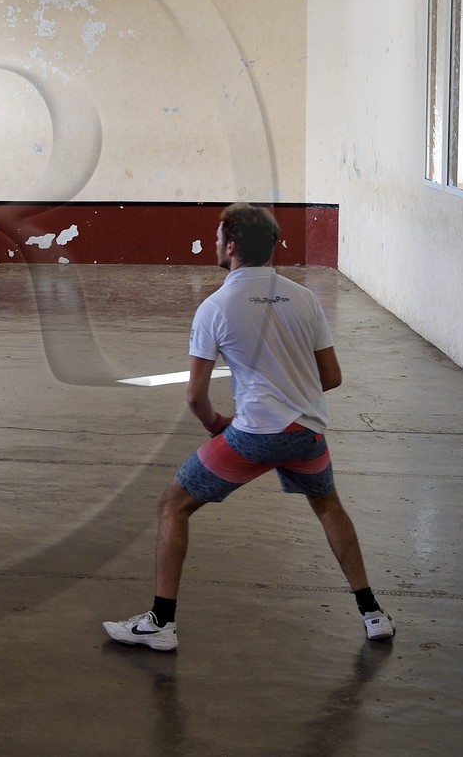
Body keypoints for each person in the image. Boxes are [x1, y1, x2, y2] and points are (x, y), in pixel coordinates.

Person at [103, 202, 394, 651]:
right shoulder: (305, 298)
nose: (215, 242)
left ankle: (160, 623)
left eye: (218, 236)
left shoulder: (216, 307)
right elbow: (331, 376)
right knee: (328, 507)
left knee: (172, 505)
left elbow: (195, 396)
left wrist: (218, 424)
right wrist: (291, 396)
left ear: (231, 245)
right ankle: (372, 614)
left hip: (253, 435)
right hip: (307, 434)